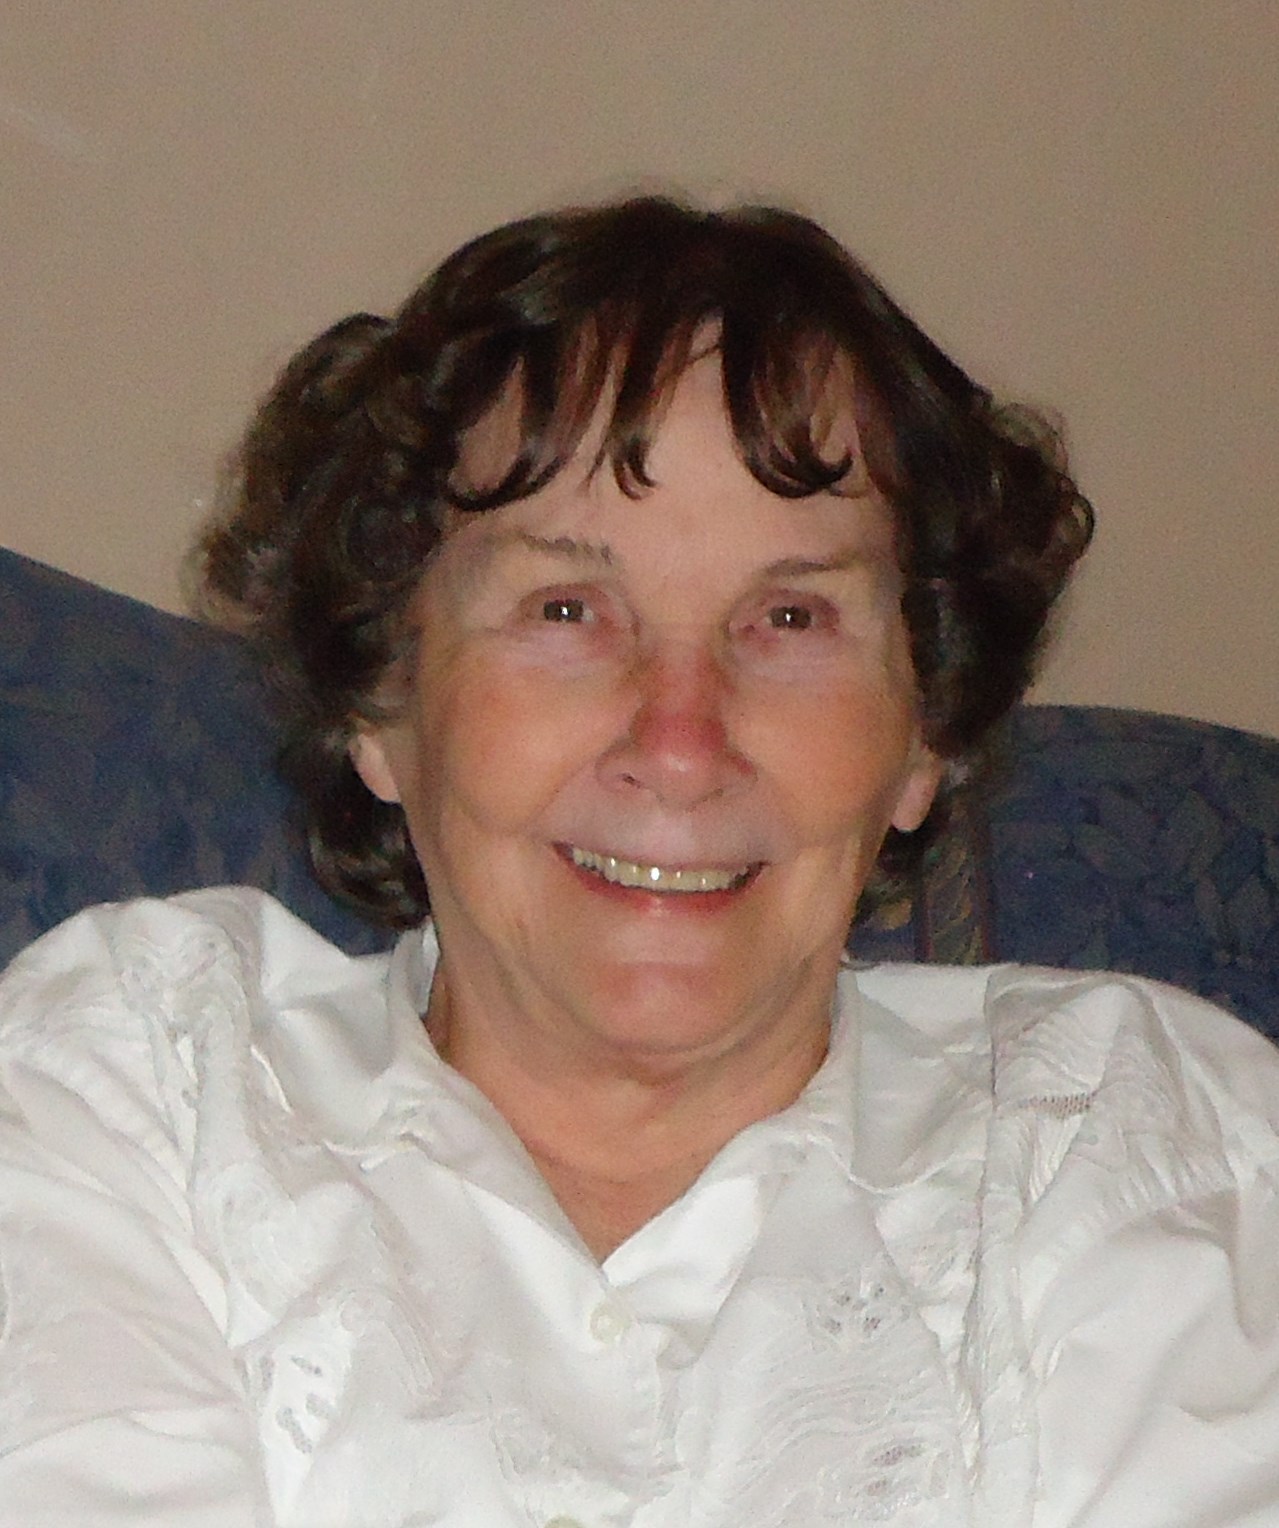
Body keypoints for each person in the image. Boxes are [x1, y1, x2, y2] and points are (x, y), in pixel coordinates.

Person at [1, 195, 1277, 1528]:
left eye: (791, 617)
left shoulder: (1136, 1136)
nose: (679, 743)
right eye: (566, 608)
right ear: (381, 700)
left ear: (925, 734)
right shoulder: (146, 1079)